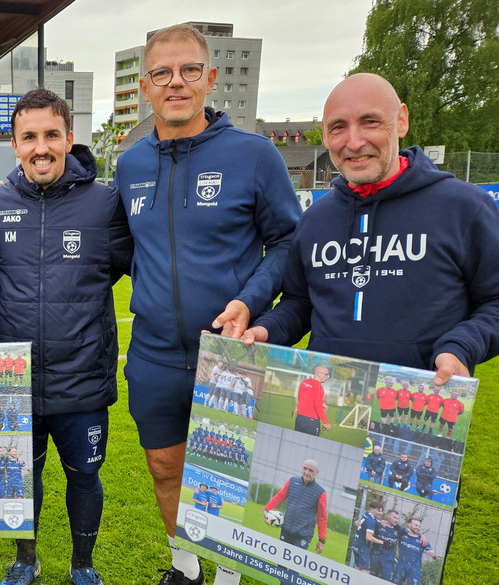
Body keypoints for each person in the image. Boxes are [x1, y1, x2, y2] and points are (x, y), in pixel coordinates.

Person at [113, 24, 301, 585]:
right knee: (164, 466)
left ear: (209, 78)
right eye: (162, 72)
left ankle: (230, 575)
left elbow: (290, 241)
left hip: (232, 353)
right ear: (146, 85)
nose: (176, 82)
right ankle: (186, 566)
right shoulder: (129, 165)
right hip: (154, 353)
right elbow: (126, 250)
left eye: (189, 70)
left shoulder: (255, 154)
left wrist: (249, 300)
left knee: (231, 474)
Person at [242, 72, 499, 391]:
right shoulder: (314, 220)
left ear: (401, 121)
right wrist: (266, 330)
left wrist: (460, 347)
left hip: (416, 406)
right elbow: (300, 302)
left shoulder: (465, 208)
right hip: (327, 398)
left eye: (370, 122)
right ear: (324, 135)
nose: (354, 141)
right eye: (338, 127)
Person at [0, 87, 132, 585]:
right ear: (14, 145)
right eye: (29, 137)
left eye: (51, 135)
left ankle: (82, 566)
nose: (41, 147)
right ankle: (26, 559)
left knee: (85, 474)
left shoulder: (105, 202)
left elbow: (139, 269)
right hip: (12, 378)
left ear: (68, 138)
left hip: (81, 375)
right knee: (21, 478)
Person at [263, 460, 328, 554]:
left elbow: (322, 517)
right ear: (302, 467)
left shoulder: (320, 492)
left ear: (317, 473)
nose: (307, 472)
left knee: (294, 567)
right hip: (286, 530)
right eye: (305, 468)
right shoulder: (292, 481)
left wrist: (321, 540)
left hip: (303, 535)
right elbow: (280, 496)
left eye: (311, 470)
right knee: (281, 564)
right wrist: (266, 509)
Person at [392, 518, 440, 585]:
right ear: (409, 525)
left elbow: (434, 556)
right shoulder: (402, 534)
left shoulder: (423, 541)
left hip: (415, 569)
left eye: (419, 526)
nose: (418, 527)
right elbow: (393, 528)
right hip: (401, 566)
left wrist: (434, 556)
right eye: (416, 525)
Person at [294, 366, 331, 436]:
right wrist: (326, 422)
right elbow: (318, 407)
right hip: (311, 422)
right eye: (326, 374)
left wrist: (321, 404)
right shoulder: (319, 387)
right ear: (318, 374)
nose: (328, 376)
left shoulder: (304, 382)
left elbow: (303, 399)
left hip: (299, 419)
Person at [350, 502, 383, 573]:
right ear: (373, 510)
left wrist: (380, 522)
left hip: (356, 544)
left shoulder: (366, 514)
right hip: (362, 546)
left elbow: (361, 522)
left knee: (358, 569)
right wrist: (382, 542)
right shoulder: (371, 521)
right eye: (379, 511)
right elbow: (368, 537)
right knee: (365, 571)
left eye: (381, 511)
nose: (381, 513)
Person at [369, 509, 400, 580]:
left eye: (398, 518)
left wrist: (422, 536)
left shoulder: (399, 530)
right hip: (375, 557)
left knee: (386, 581)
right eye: (394, 518)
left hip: (388, 560)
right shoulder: (379, 525)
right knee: (370, 579)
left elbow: (412, 533)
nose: (396, 520)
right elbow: (368, 518)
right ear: (388, 516)